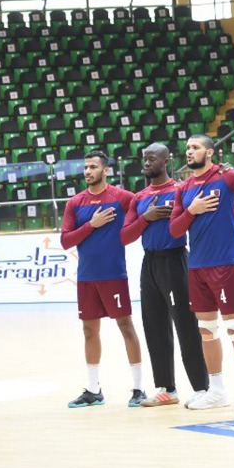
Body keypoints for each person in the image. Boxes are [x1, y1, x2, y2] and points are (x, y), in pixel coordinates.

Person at [171, 135, 234, 411]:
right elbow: (175, 229)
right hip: (197, 266)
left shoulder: (227, 177)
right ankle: (217, 390)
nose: (189, 152)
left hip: (224, 263)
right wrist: (191, 211)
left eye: (195, 147)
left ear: (210, 152)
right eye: (188, 148)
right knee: (206, 330)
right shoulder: (184, 188)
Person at [120, 143, 208, 408]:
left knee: (186, 326)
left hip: (175, 260)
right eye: (144, 159)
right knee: (154, 327)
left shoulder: (180, 190)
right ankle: (166, 389)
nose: (146, 163)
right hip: (149, 264)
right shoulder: (139, 197)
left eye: (152, 158)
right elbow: (125, 236)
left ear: (166, 161)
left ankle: (202, 388)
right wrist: (146, 218)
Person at [61, 150, 145, 408]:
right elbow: (65, 241)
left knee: (126, 327)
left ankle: (139, 388)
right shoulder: (75, 203)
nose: (88, 171)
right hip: (86, 277)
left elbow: (145, 202)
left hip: (113, 274)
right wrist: (91, 225)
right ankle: (93, 390)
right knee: (89, 331)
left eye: (93, 167)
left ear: (106, 170)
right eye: (86, 167)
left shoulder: (122, 198)